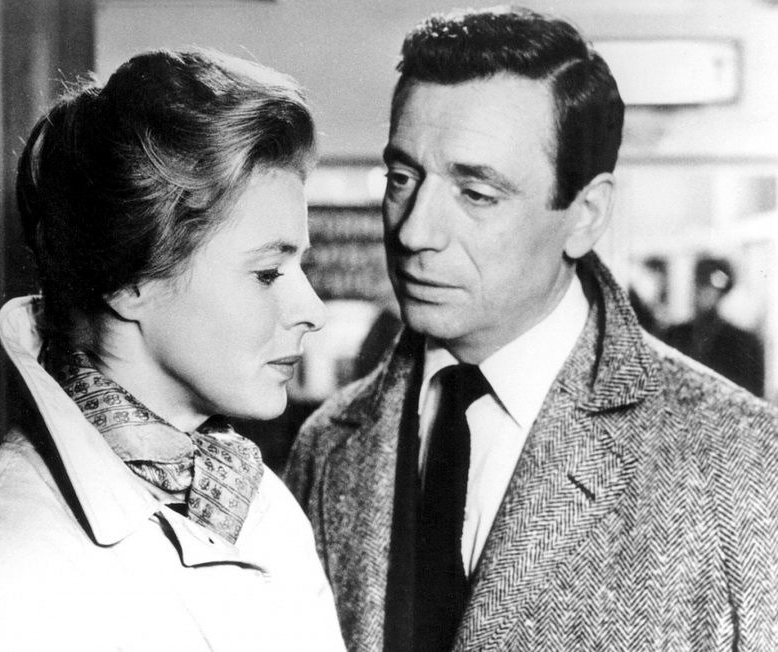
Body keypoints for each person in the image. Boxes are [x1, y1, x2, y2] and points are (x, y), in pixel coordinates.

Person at [285, 7, 778, 652]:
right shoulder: (327, 446)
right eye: (402, 179)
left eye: (476, 194)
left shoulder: (743, 463)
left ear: (586, 215)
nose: (414, 232)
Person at [0, 49, 345, 651]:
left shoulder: (260, 507)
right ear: (130, 281)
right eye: (267, 273)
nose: (312, 310)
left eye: (299, 265)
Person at [664, 256, 765, 396]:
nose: (702, 293)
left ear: (721, 293)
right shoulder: (674, 334)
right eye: (700, 285)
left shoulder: (744, 343)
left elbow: (752, 395)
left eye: (709, 288)